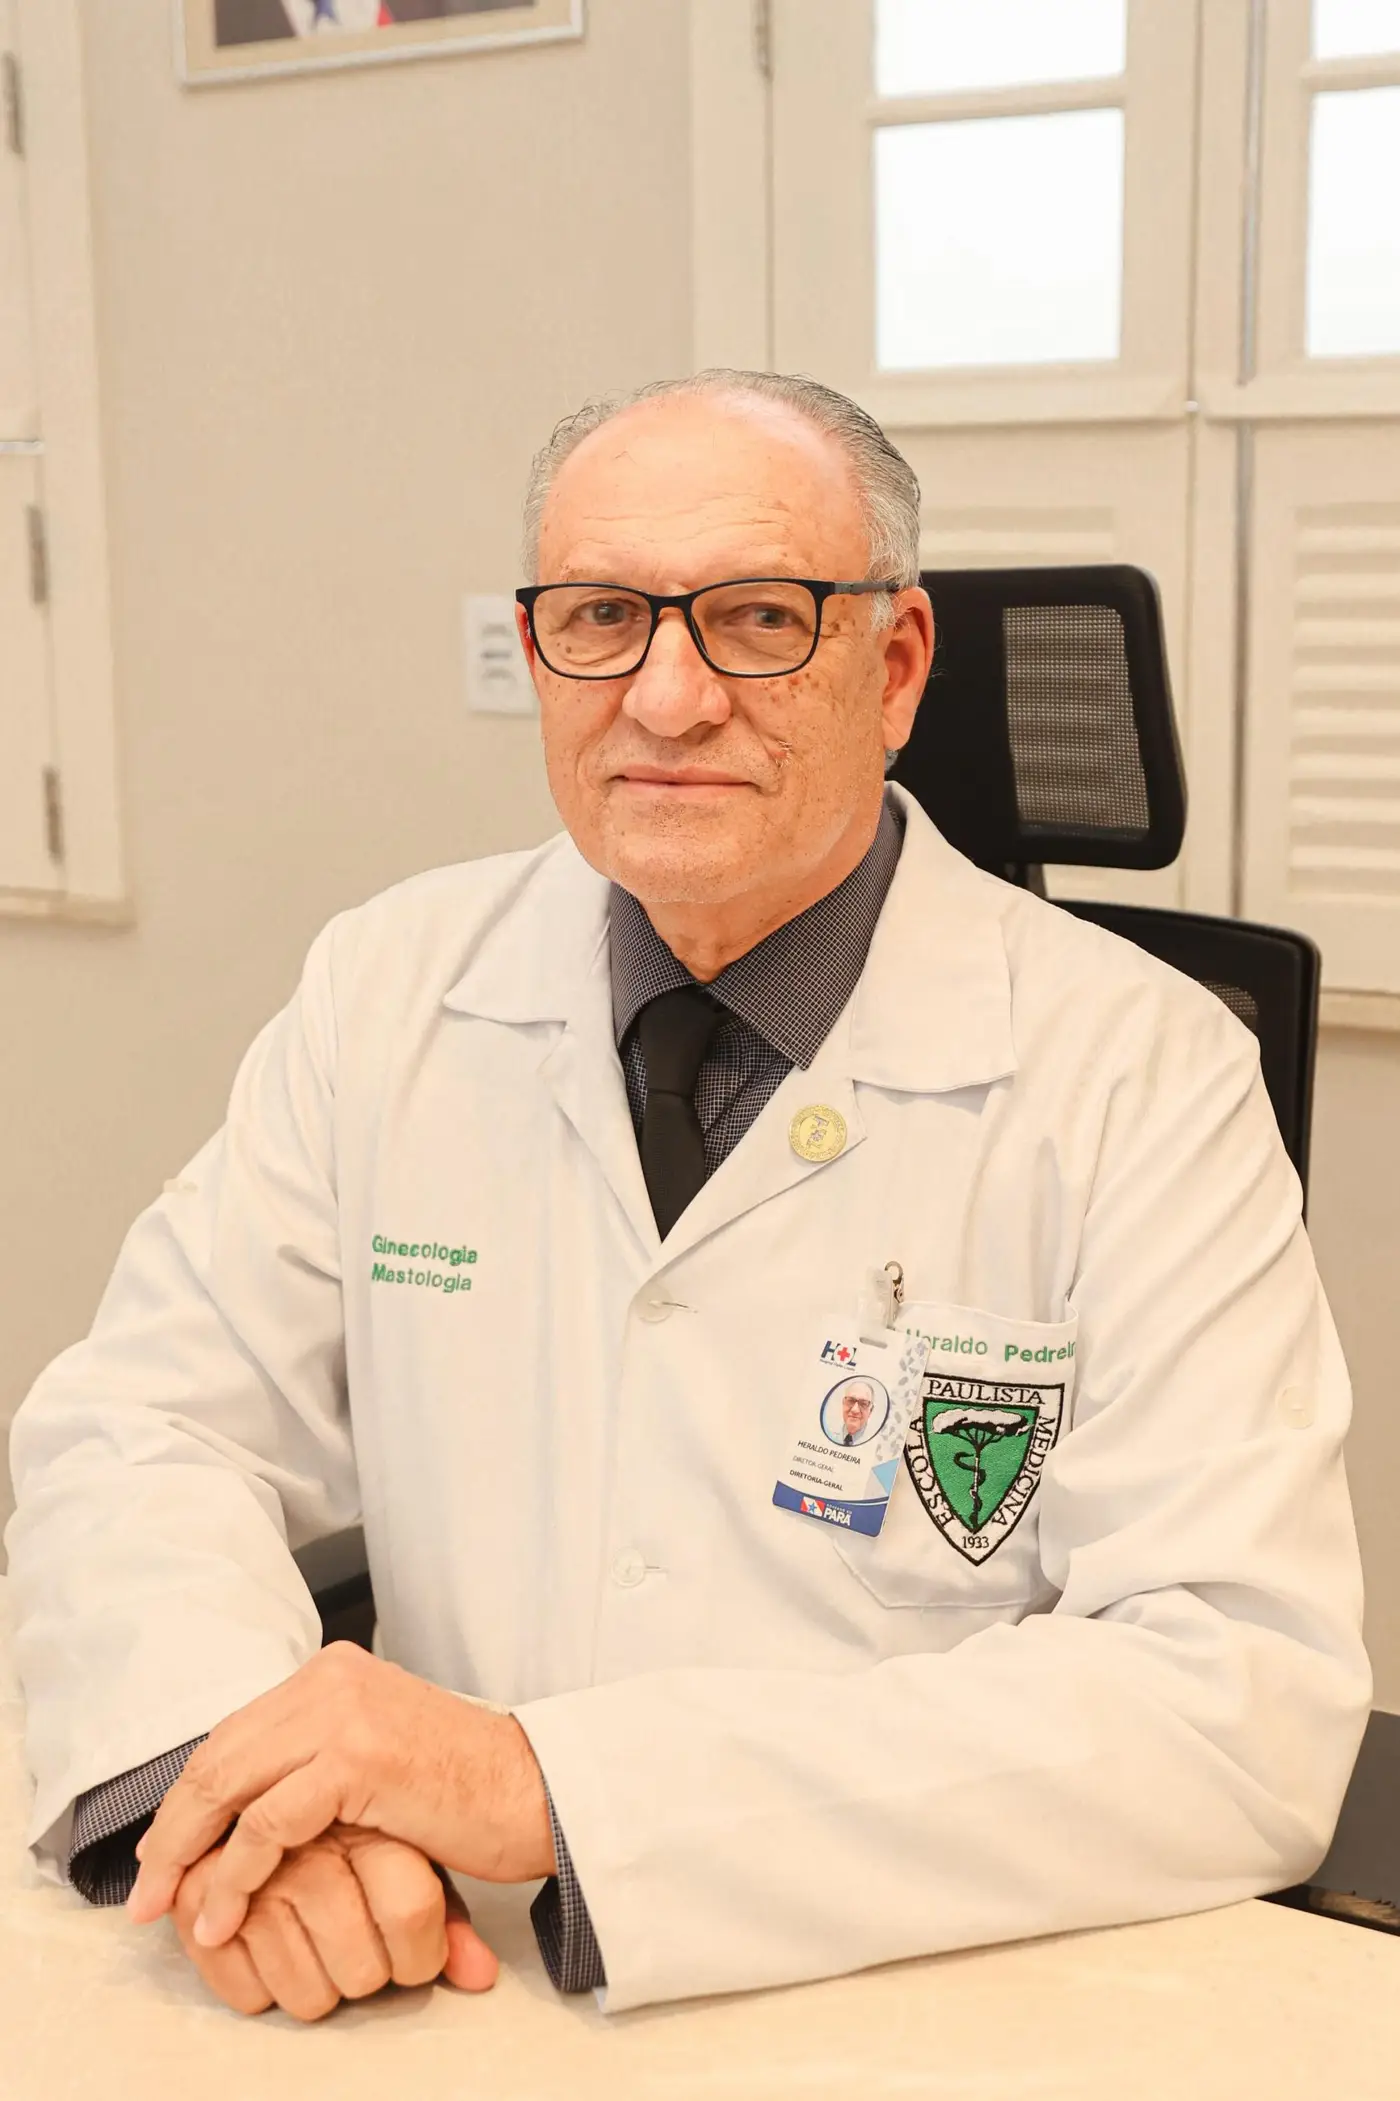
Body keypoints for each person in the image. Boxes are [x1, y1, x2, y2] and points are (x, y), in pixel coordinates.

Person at [5, 370, 1370, 2024]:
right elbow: (143, 1426)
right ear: (538, 657)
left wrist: (548, 1785)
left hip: (924, 1995)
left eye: (757, 619)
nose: (665, 697)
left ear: (896, 665)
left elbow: (1233, 1699)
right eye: (602, 617)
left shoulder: (1142, 1070)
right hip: (451, 1979)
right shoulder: (392, 988)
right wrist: (241, 1792)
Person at [831, 1381, 876, 1447]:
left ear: (871, 1410)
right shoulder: (827, 1434)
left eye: (863, 1404)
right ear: (843, 1403)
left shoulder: (874, 1446)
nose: (855, 1410)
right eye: (851, 1401)